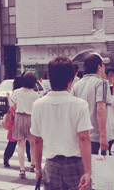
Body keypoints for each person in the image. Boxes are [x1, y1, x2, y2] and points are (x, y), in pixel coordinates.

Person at [30, 56, 93, 190]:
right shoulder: (80, 105)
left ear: (50, 78)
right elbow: (83, 138)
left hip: (52, 165)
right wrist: (88, 171)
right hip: (76, 164)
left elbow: (37, 140)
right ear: (70, 81)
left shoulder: (38, 105)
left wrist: (37, 170)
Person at [72, 52, 114, 154]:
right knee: (101, 167)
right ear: (99, 67)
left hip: (82, 135)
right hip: (97, 137)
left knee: (87, 167)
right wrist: (103, 136)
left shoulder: (77, 85)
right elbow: (100, 109)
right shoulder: (102, 83)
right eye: (103, 65)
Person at [10, 71, 39, 178]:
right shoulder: (35, 95)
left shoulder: (17, 92)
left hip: (19, 118)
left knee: (21, 144)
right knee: (33, 144)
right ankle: (33, 164)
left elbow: (13, 107)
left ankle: (22, 169)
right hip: (31, 119)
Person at [3, 76, 31, 168]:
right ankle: (31, 159)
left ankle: (6, 157)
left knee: (13, 140)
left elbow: (12, 106)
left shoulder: (16, 93)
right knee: (28, 140)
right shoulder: (26, 92)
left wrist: (8, 98)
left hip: (15, 119)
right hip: (26, 118)